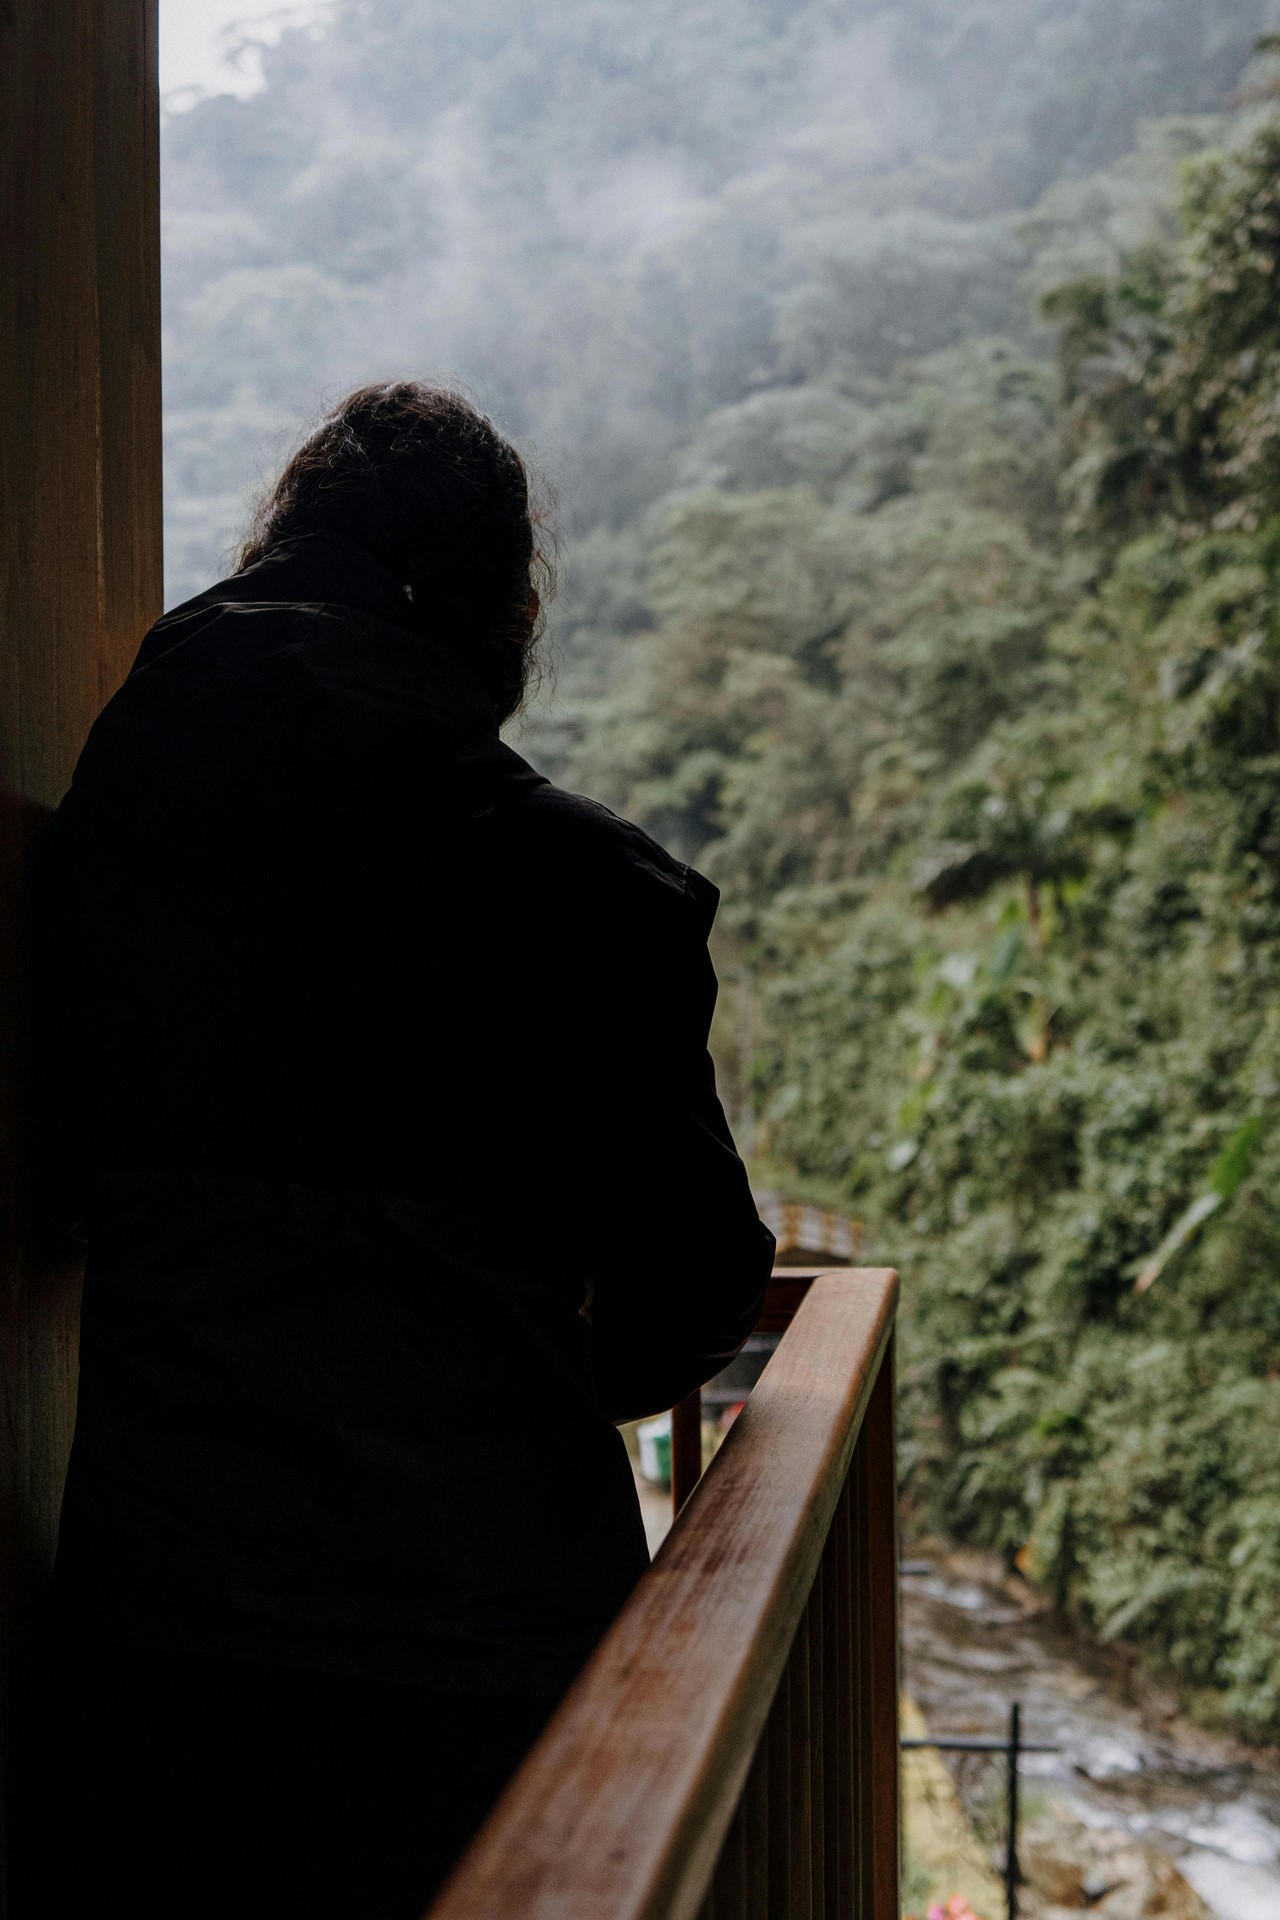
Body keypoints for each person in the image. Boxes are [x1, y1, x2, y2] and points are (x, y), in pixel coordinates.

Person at [26, 382, 775, 1918]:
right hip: (477, 1676)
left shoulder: (106, 844)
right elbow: (695, 1290)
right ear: (502, 611)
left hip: (149, 1666)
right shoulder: (585, 890)